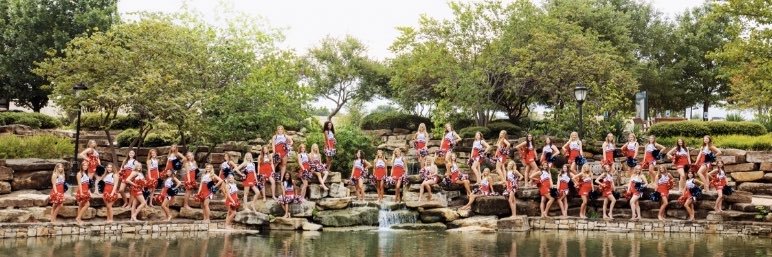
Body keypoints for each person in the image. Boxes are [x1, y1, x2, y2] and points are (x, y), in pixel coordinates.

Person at [75, 161, 91, 225]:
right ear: (81, 166)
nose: (85, 167)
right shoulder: (79, 174)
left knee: (81, 205)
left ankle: (79, 219)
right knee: (87, 204)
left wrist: (89, 191)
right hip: (82, 191)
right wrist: (81, 193)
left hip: (86, 190)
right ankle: (78, 218)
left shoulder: (85, 173)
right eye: (84, 165)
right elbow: (79, 184)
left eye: (86, 165)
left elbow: (87, 184)